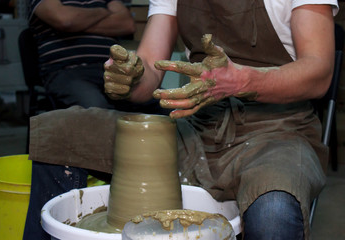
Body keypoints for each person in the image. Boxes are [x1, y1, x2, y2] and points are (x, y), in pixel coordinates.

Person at [102, 1, 338, 239]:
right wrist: (131, 78)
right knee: (68, 131)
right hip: (197, 127)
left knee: (272, 214)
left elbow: (319, 72)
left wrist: (241, 81)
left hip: (279, 132)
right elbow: (151, 68)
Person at [23, 0, 168, 239]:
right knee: (94, 116)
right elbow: (64, 19)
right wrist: (103, 15)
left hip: (108, 71)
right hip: (68, 71)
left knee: (160, 115)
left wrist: (80, 21)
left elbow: (125, 21)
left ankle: (135, 194)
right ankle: (114, 195)